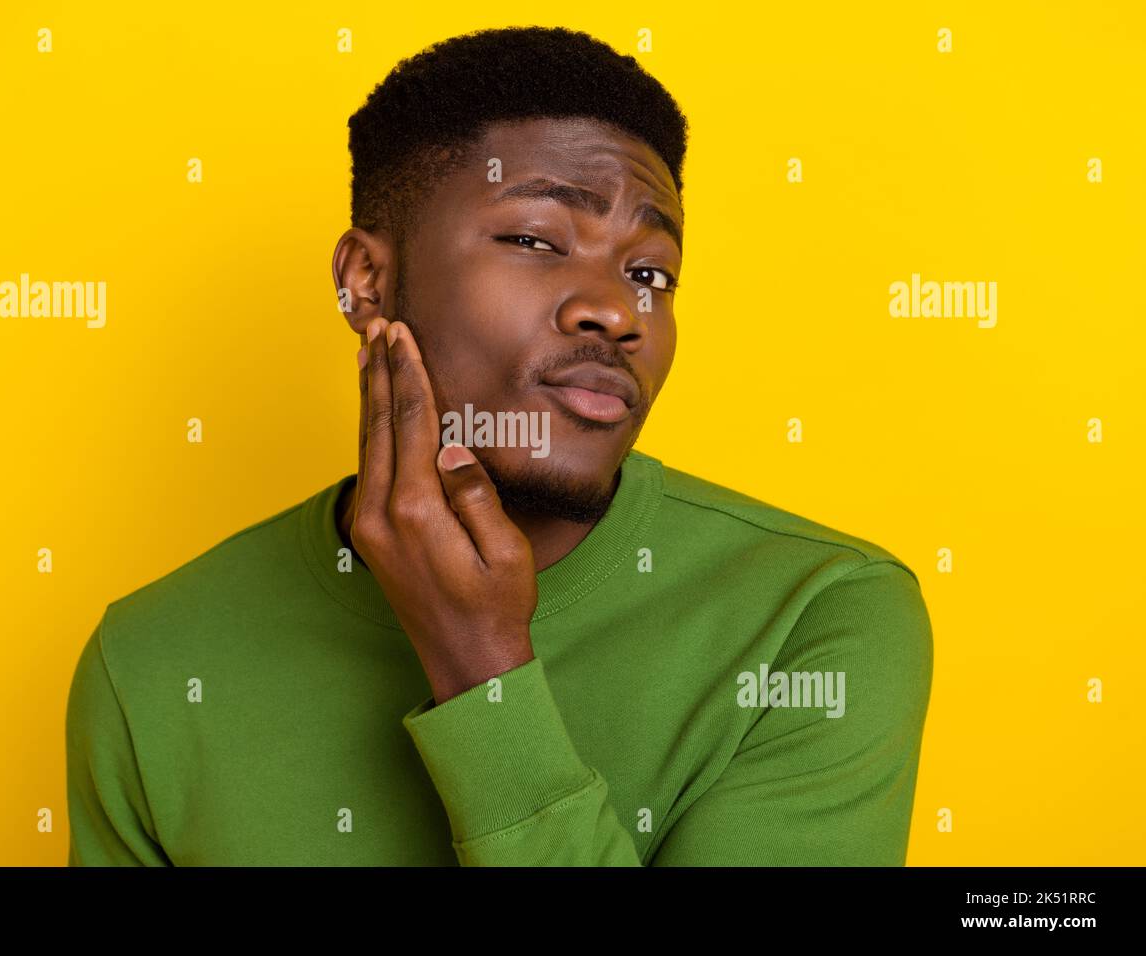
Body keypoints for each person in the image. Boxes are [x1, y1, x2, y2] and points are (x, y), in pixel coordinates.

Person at [66, 25, 933, 866]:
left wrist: (483, 669)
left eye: (650, 274)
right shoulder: (154, 660)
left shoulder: (816, 617)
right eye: (533, 240)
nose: (617, 310)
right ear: (366, 281)